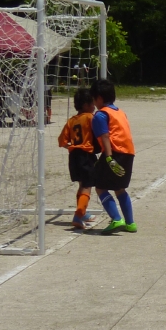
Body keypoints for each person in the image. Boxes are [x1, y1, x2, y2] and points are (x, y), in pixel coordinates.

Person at [90, 79, 137, 233]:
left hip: (114, 153)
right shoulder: (120, 112)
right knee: (120, 188)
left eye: (94, 99)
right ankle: (130, 223)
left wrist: (109, 157)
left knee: (100, 187)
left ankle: (116, 219)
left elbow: (105, 136)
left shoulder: (100, 115)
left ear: (99, 98)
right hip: (128, 153)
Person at [57, 87, 99, 231]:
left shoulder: (71, 121)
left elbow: (62, 141)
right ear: (86, 105)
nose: (94, 106)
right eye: (92, 103)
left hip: (74, 155)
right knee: (87, 185)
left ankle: (83, 212)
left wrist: (72, 146)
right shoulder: (90, 118)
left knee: (82, 185)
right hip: (86, 155)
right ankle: (78, 215)